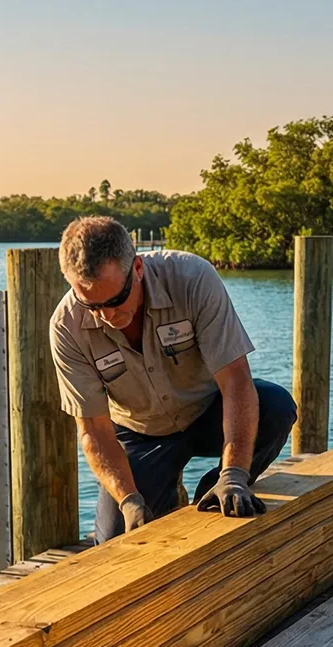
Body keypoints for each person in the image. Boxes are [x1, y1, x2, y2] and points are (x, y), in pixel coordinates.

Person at [50, 216, 297, 543]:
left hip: (208, 411)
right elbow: (94, 429)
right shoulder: (66, 326)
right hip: (139, 434)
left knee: (277, 407)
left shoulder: (193, 278)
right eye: (90, 304)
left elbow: (236, 380)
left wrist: (235, 474)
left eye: (114, 300)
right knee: (115, 539)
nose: (106, 316)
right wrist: (129, 500)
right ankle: (160, 495)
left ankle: (215, 488)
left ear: (137, 268)